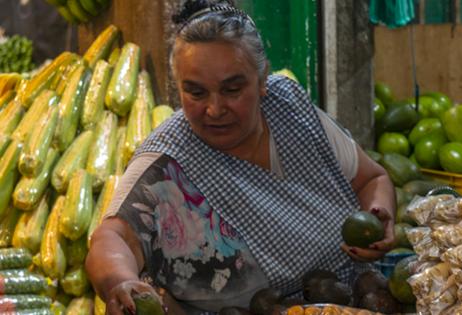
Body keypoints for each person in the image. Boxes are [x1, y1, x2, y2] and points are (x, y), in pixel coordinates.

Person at [85, 0, 396, 314]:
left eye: (232, 89)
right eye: (195, 92)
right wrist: (120, 282)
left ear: (262, 81)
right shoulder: (166, 163)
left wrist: (378, 215)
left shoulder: (290, 109)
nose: (215, 109)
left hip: (358, 302)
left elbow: (372, 178)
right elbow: (112, 238)